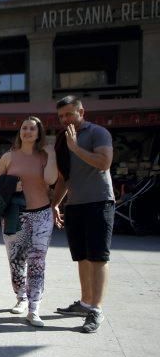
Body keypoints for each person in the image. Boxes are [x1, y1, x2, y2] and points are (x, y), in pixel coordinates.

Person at [51, 96, 114, 333]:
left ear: (81, 112)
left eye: (69, 114)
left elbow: (104, 162)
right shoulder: (61, 139)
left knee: (98, 256)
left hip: (99, 202)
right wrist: (55, 204)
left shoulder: (98, 133)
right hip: (75, 205)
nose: (65, 119)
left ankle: (95, 310)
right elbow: (64, 178)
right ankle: (85, 302)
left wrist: (75, 147)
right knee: (82, 256)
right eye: (61, 116)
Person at [0, 116, 58, 327]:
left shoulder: (44, 156)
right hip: (15, 215)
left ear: (39, 133)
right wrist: (11, 186)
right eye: (24, 128)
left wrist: (52, 154)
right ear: (20, 132)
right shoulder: (8, 157)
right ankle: (21, 297)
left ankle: (34, 308)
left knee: (37, 262)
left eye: (32, 128)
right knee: (16, 260)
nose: (27, 131)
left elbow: (51, 180)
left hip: (42, 214)